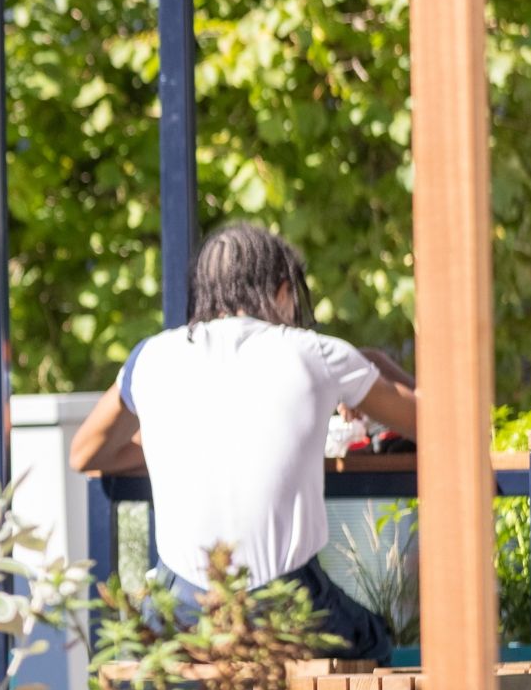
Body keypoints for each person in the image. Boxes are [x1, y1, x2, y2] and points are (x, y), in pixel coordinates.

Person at [68, 222, 417, 663]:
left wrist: (176, 440)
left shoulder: (152, 356)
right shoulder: (317, 353)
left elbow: (85, 453)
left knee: (187, 657)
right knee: (372, 642)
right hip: (285, 608)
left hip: (183, 614)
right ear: (284, 291)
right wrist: (378, 364)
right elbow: (435, 426)